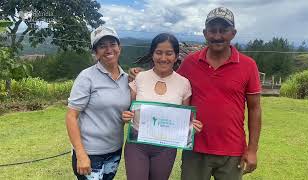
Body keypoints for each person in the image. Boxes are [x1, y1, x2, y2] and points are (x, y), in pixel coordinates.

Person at [129, 7, 262, 180]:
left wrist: (252, 149)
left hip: (232, 150)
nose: (217, 35)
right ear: (205, 33)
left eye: (224, 30)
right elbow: (170, 81)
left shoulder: (248, 65)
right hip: (195, 149)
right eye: (212, 30)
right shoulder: (191, 62)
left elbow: (255, 109)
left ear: (233, 33)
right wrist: (143, 75)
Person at [122, 33, 203, 180]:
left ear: (176, 56)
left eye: (169, 53)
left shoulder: (184, 83)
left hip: (166, 148)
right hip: (137, 144)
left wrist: (192, 127)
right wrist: (127, 116)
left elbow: (184, 119)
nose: (163, 58)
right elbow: (129, 109)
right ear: (152, 54)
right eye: (158, 52)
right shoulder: (140, 77)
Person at [65, 26, 131, 180]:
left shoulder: (126, 79)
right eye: (102, 46)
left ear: (119, 47)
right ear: (95, 52)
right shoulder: (86, 77)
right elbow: (71, 116)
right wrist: (80, 153)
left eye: (112, 44)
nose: (109, 49)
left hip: (114, 150)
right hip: (90, 152)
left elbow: (126, 111)